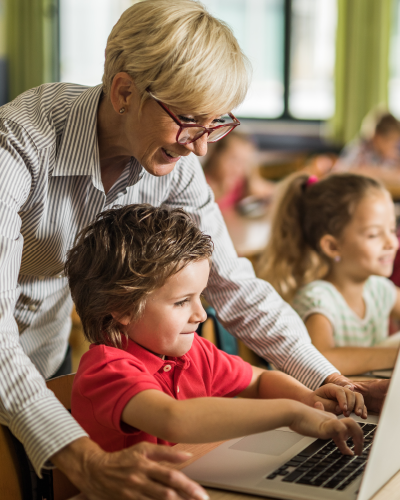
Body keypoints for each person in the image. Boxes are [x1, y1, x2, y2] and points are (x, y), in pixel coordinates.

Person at [0, 1, 387, 498]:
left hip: (47, 360)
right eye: (189, 121)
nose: (203, 148)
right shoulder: (18, 145)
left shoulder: (174, 162)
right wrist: (83, 459)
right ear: (124, 91)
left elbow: (235, 286)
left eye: (218, 123)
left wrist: (334, 381)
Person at [67, 204, 365, 456]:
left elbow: (259, 382)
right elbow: (174, 420)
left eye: (201, 296)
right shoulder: (106, 370)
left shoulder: (193, 351)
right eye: (182, 302)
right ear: (122, 308)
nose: (200, 314)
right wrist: (293, 413)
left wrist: (310, 400)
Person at [257, 173, 400, 375]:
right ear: (333, 246)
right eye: (374, 234)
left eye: (393, 230)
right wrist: (393, 355)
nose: (392, 243)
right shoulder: (317, 300)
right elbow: (321, 358)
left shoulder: (379, 288)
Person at [202, 131, 275, 211]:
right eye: (233, 159)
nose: (237, 168)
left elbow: (273, 192)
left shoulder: (240, 183)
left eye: (243, 162)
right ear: (215, 154)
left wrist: (253, 182)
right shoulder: (201, 183)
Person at [335, 111, 400, 184]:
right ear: (377, 137)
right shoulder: (360, 149)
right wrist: (381, 173)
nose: (393, 145)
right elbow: (341, 173)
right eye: (390, 141)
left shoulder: (390, 154)